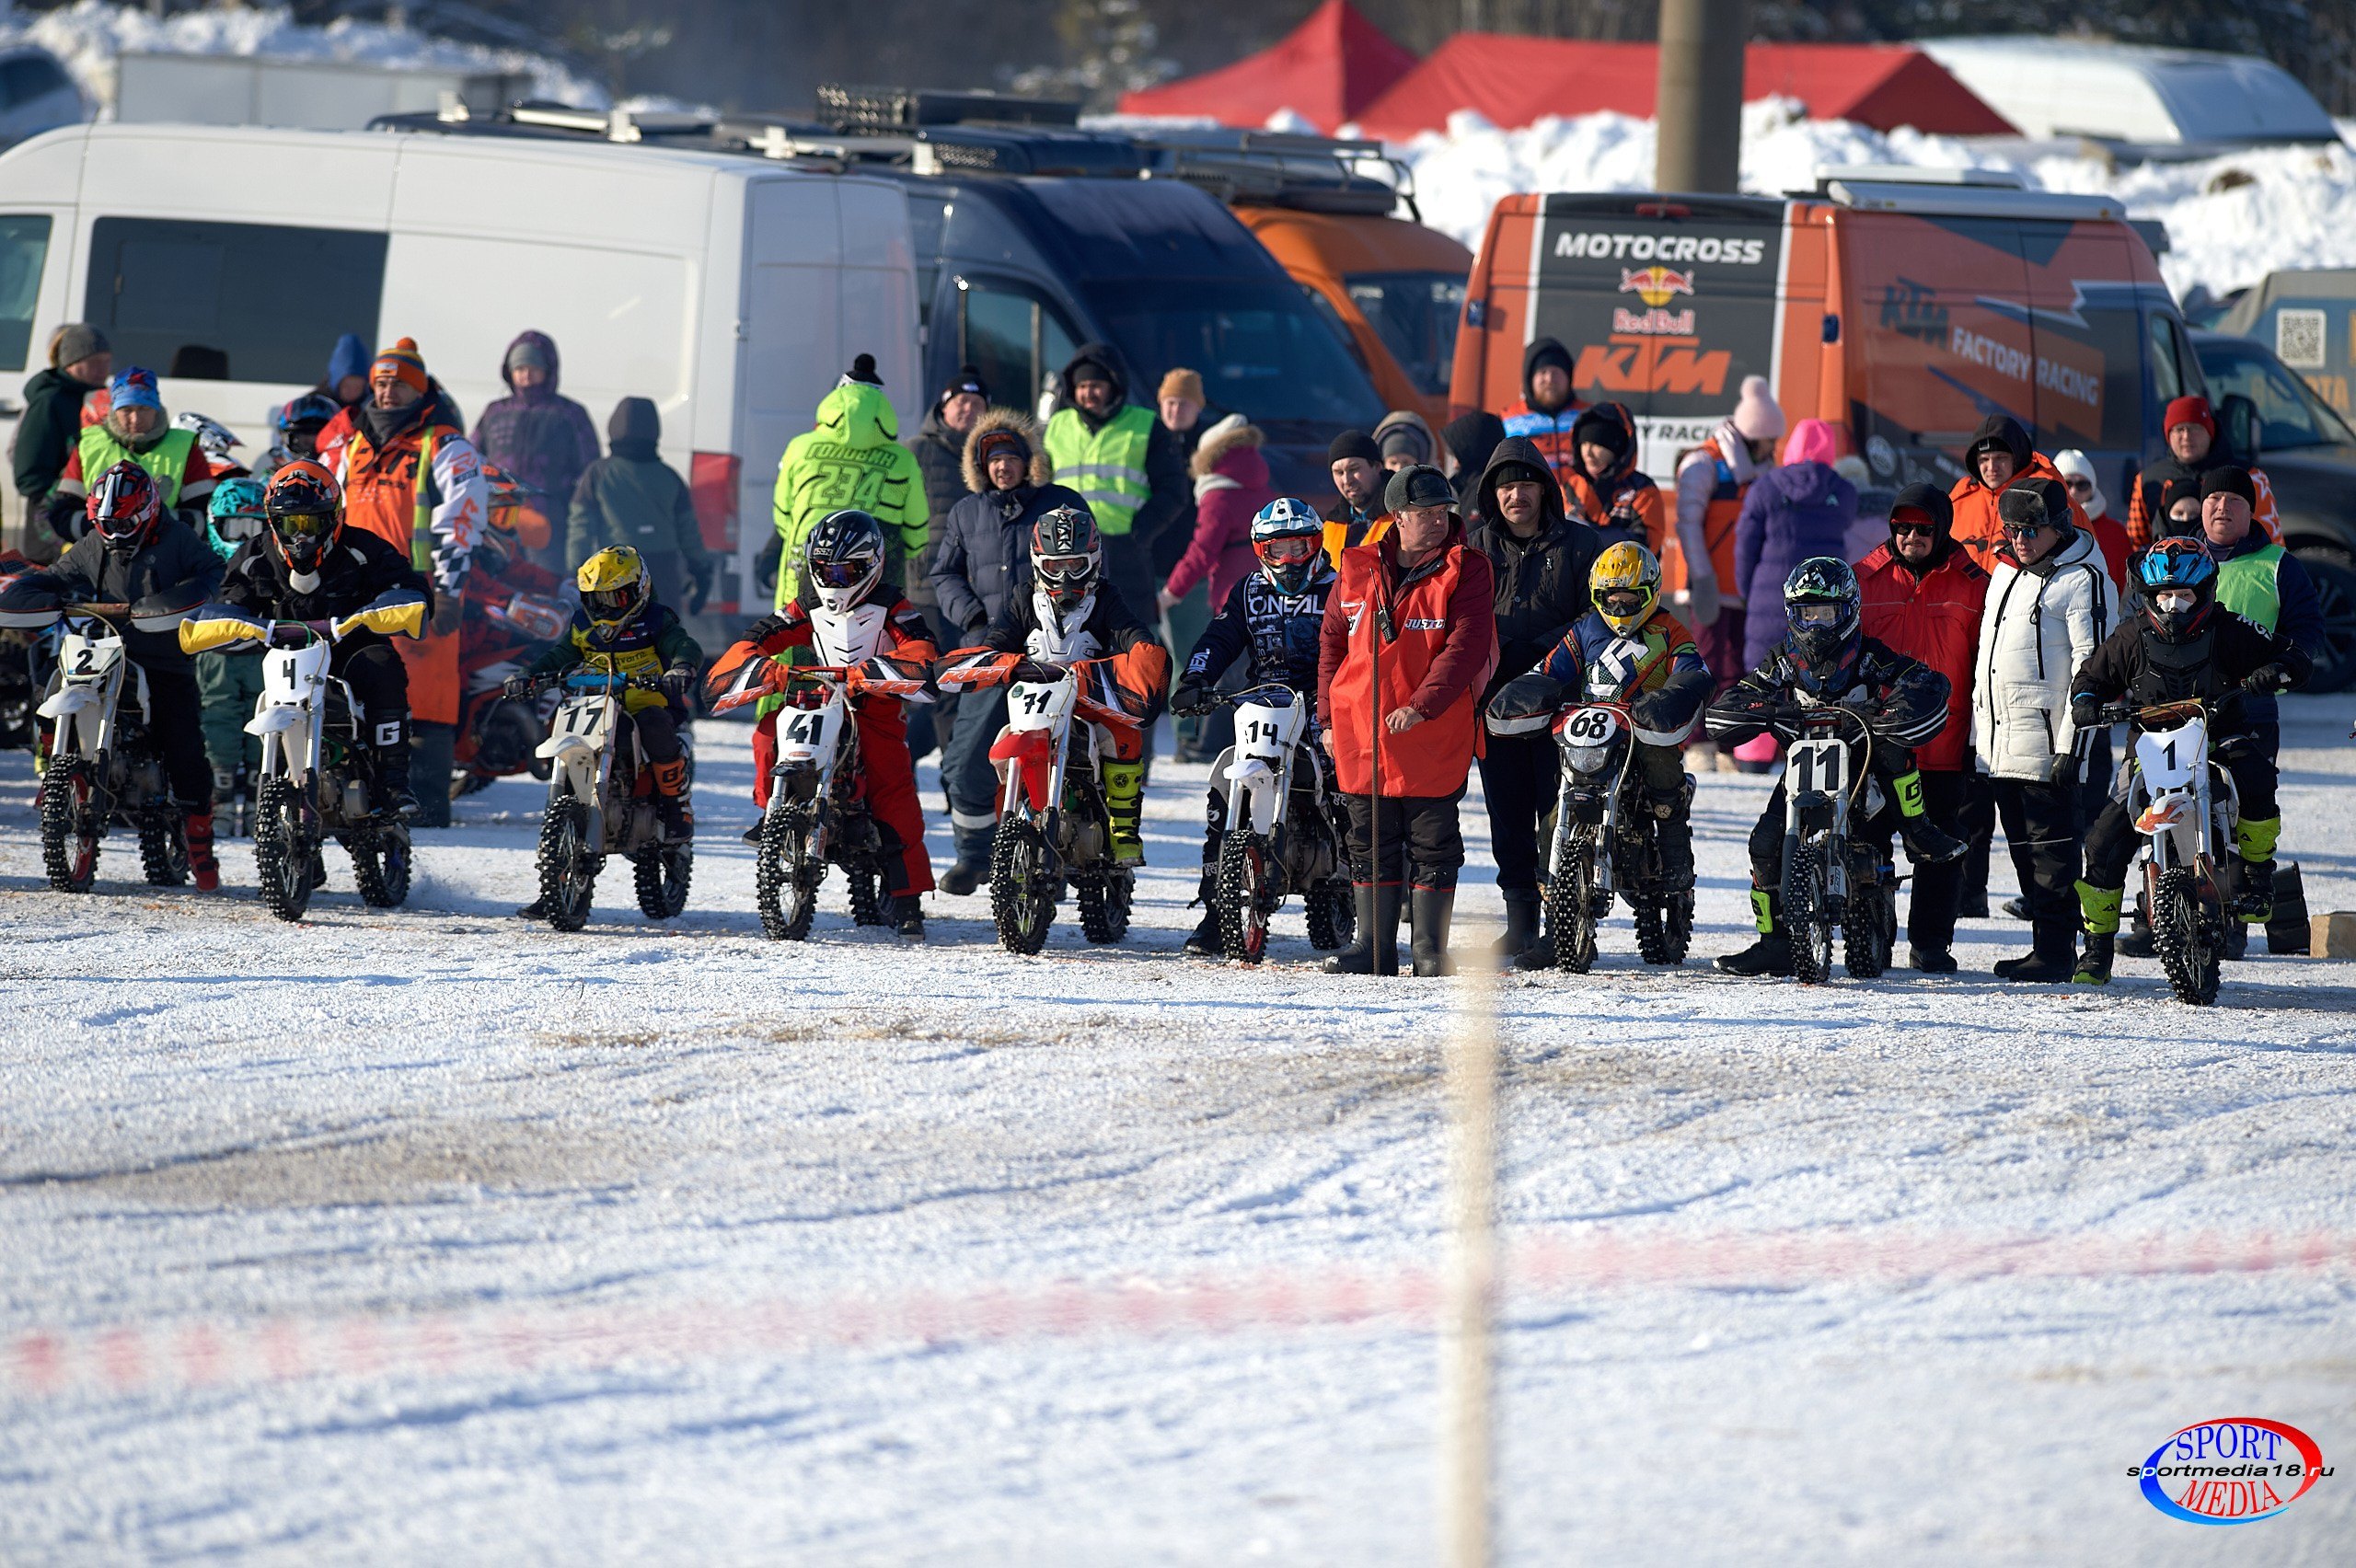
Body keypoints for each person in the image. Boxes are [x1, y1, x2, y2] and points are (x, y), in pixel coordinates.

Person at [2068, 537, 2310, 984]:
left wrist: (2276, 671)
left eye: (2185, 595)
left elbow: (2293, 655)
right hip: (2149, 751)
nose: (2174, 605)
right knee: (2102, 840)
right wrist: (2087, 703)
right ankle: (2097, 946)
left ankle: (2257, 876)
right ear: (2148, 597)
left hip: (2220, 737)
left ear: (2206, 593)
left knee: (2258, 775)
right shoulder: (2128, 636)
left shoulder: (2233, 628)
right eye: (2164, 595)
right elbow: (2090, 679)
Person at [1708, 558, 1963, 976]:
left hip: (1862, 758)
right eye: (1807, 613)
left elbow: (1918, 677)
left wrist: (1891, 707)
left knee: (1893, 747)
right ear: (1793, 614)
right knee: (1762, 843)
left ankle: (1918, 828)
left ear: (1846, 610)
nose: (1816, 625)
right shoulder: (1783, 659)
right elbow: (1738, 695)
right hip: (1801, 763)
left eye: (1825, 613)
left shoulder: (1866, 653)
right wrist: (1769, 709)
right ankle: (1774, 942)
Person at [180, 459, 430, 850]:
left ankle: (394, 783)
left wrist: (392, 603)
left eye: (309, 523)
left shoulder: (364, 548)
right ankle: (290, 839)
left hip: (350, 647)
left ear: (332, 518)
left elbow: (406, 585)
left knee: (384, 667)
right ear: (272, 521)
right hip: (285, 651)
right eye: (288, 523)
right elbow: (229, 600)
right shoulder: (253, 555)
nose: (300, 535)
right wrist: (227, 620)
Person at [710, 512, 938, 936]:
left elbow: (922, 647)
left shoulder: (892, 605)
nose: (834, 579)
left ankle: (908, 900)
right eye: (824, 570)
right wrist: (758, 664)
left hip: (874, 703)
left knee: (893, 784)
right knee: (765, 733)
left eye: (845, 570)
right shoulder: (807, 604)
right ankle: (772, 813)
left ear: (871, 565)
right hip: (820, 692)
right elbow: (760, 634)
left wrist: (892, 667)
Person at [1318, 464, 1497, 978]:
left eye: (1444, 511)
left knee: (1433, 840)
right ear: (1397, 517)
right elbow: (1331, 645)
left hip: (1432, 730)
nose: (1438, 521)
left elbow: (1466, 647)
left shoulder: (1468, 568)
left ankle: (1429, 952)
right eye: (1425, 514)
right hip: (1359, 730)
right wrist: (1327, 719)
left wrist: (1421, 706)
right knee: (1368, 838)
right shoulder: (1354, 567)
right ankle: (1372, 948)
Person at [10, 463, 223, 884]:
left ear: (146, 512)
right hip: (103, 647)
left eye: (122, 521)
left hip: (161, 657)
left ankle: (199, 840)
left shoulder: (178, 538)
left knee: (183, 743)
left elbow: (213, 573)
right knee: (51, 681)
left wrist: (172, 603)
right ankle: (58, 766)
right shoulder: (93, 544)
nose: (114, 530)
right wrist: (28, 590)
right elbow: (59, 575)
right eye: (104, 522)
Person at [316, 338, 489, 826]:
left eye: (399, 384)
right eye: (381, 383)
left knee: (425, 703)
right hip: (351, 589)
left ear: (418, 389)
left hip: (421, 595)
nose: (388, 392)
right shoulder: (347, 443)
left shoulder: (446, 446)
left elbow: (463, 521)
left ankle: (426, 811)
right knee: (346, 693)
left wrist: (451, 591)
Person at [941, 505, 1169, 867]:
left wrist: (1142, 655)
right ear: (1037, 563)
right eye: (1054, 566)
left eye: (1074, 565)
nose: (1064, 577)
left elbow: (1132, 634)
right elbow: (999, 638)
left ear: (1093, 561)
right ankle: (1017, 817)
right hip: (1034, 700)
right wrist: (992, 659)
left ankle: (1124, 828)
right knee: (996, 742)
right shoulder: (1023, 597)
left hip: (1090, 698)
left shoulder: (1106, 598)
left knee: (1122, 735)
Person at [929, 410, 1090, 893]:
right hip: (988, 654)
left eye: (1011, 458)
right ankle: (973, 856)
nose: (1002, 467)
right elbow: (945, 574)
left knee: (1062, 755)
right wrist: (975, 619)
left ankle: (1053, 855)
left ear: (1029, 462)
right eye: (993, 459)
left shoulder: (1060, 503)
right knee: (965, 760)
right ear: (980, 467)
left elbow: (1094, 561)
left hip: (1054, 650)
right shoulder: (966, 511)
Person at [1171, 496, 1336, 955]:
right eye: (1276, 550)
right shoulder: (1248, 591)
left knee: (1342, 781)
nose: (1288, 560)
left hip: (1326, 702)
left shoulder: (1340, 588)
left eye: (1298, 547)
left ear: (1315, 545)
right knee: (1224, 787)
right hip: (1262, 700)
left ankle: (1358, 889)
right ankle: (1214, 912)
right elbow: (1220, 636)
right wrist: (1196, 678)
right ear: (1260, 551)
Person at [1504, 540, 1709, 906]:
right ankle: (1554, 902)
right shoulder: (1585, 630)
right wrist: (1527, 690)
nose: (1619, 606)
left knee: (1662, 773)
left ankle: (1676, 857)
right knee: (1553, 815)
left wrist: (1673, 694)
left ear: (1650, 593)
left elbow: (1692, 669)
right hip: (1593, 733)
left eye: (1630, 599)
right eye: (1610, 597)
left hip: (1647, 731)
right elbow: (1552, 668)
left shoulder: (1670, 629)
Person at [1969, 477, 2119, 981]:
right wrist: (1979, 742)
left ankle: (2056, 952)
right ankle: (2046, 946)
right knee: (2023, 853)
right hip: (2000, 743)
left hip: (2048, 744)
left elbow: (2092, 670)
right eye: (2013, 529)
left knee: (2053, 854)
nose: (2021, 539)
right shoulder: (2006, 572)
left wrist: (2072, 749)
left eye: (2032, 529)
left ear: (2058, 526)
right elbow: (1989, 662)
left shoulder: (2084, 579)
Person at [1466, 433, 1603, 966]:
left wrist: (1544, 653)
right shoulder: (1475, 549)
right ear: (1491, 496)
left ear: (1545, 490)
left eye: (1525, 485)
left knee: (1559, 815)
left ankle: (1564, 926)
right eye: (1505, 488)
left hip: (1562, 704)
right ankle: (1519, 924)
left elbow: (1598, 618)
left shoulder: (1582, 546)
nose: (1515, 495)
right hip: (1496, 703)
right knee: (1508, 814)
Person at [507, 548, 702, 886]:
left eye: (616, 596)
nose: (607, 606)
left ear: (639, 589)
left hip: (648, 702)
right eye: (597, 599)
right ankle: (555, 880)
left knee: (654, 726)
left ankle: (676, 806)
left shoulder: (656, 618)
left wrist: (682, 666)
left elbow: (683, 644)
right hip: (597, 704)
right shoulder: (583, 624)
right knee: (561, 721)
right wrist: (529, 674)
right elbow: (562, 654)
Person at [1853, 482, 1987, 972]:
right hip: (1876, 741)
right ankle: (1868, 935)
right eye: (1902, 527)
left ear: (1942, 528)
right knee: (1866, 837)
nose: (1910, 536)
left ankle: (1931, 942)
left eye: (1922, 528)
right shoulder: (1864, 578)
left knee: (1942, 843)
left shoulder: (1974, 582)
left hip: (1943, 742)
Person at [1042, 342, 1189, 620]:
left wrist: (1141, 532)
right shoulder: (1056, 427)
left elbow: (1174, 488)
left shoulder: (1145, 424)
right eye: (1082, 386)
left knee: (1133, 644)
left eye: (1096, 385)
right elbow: (1039, 485)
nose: (1088, 393)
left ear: (1114, 384)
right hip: (1066, 555)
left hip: (1125, 555)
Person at [772, 354, 928, 609]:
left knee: (798, 635)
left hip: (814, 558)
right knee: (880, 638)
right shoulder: (903, 459)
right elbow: (917, 530)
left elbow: (782, 515)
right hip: (878, 565)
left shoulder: (800, 447)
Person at [1672, 375, 1784, 702]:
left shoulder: (1762, 470)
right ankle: (1696, 743)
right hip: (1709, 587)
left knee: (1739, 669)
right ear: (1753, 437)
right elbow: (1688, 525)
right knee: (1703, 665)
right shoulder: (1703, 464)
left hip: (1743, 590)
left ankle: (1728, 742)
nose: (1773, 448)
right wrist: (1703, 578)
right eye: (1769, 441)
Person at [565, 398, 712, 616]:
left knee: (617, 637)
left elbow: (580, 527)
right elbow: (689, 532)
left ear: (613, 428)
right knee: (663, 637)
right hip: (663, 569)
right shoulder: (670, 476)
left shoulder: (598, 474)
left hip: (614, 568)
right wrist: (701, 573)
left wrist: (574, 572)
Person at [1733, 419, 1855, 674]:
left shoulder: (1765, 488)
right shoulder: (1843, 492)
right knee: (1818, 687)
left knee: (1765, 684)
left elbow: (1744, 549)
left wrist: (1748, 593)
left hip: (1771, 603)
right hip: (1825, 611)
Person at [469, 332, 599, 571]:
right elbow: (472, 459)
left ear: (547, 370)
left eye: (533, 368)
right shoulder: (495, 412)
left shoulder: (569, 414)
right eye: (520, 368)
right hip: (499, 518)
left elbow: (590, 468)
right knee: (499, 580)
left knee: (548, 582)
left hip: (550, 518)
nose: (526, 375)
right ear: (510, 371)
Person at [45, 368, 215, 542]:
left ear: (157, 409)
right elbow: (63, 516)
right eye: (126, 410)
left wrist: (150, 524)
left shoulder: (186, 448)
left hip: (166, 552)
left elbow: (207, 516)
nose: (135, 419)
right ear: (113, 410)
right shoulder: (87, 446)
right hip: (97, 554)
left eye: (144, 409)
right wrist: (110, 528)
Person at [193, 477, 272, 819]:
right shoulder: (205, 564)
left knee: (265, 719)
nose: (243, 539)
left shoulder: (271, 563)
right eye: (235, 528)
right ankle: (220, 793)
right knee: (217, 720)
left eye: (251, 529)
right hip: (216, 657)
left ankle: (261, 791)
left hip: (261, 655)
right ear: (216, 525)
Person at [2124, 396, 2283, 552]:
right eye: (2179, 429)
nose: (2186, 437)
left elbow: (2271, 540)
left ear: (2210, 432)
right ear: (2168, 435)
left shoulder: (2250, 476)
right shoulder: (2147, 479)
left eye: (2195, 428)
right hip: (2165, 573)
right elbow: (2136, 542)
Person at [1946, 415, 2087, 575]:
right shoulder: (1959, 500)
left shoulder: (2048, 497)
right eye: (1984, 459)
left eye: (2001, 458)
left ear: (2017, 458)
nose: (1992, 467)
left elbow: (2083, 562)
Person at [14, 323, 110, 548]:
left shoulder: (101, 401)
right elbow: (29, 473)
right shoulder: (49, 402)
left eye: (107, 362)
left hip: (88, 515)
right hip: (50, 522)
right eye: (95, 362)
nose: (103, 369)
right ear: (72, 363)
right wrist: (56, 499)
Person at [1562, 402, 1662, 551]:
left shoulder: (1643, 490)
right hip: (1578, 574)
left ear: (1617, 447)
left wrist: (1588, 535)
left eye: (1597, 445)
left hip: (1626, 572)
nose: (1588, 453)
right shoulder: (1571, 487)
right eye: (1584, 443)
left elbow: (1647, 546)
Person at [1149, 368, 1209, 582]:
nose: (1176, 410)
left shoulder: (1211, 446)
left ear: (1198, 407)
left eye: (1183, 403)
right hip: (1151, 556)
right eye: (1170, 402)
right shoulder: (1145, 441)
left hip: (1194, 560)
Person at [1499, 337, 1582, 491]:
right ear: (1530, 378)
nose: (1550, 379)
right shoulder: (1507, 419)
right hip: (1531, 505)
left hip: (1581, 507)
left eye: (1556, 373)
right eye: (1543, 372)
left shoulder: (1586, 415)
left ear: (1568, 377)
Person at [2050, 449, 2131, 587]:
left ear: (2092, 488)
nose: (2074, 491)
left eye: (2082, 485)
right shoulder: (2044, 529)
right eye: (2067, 483)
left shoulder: (2116, 532)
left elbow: (2127, 583)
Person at [1322, 430, 1388, 563]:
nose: (1346, 480)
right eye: (1339, 472)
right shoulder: (1329, 528)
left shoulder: (1403, 518)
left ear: (1376, 466)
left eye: (1353, 469)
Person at [256, 393, 341, 478]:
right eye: (304, 440)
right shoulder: (271, 480)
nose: (311, 443)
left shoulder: (345, 472)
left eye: (320, 440)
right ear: (285, 437)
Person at [1441, 411, 1507, 519]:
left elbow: (1468, 534)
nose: (1455, 464)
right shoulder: (1472, 487)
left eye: (1459, 455)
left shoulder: (1482, 493)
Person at [1373, 409, 1440, 476]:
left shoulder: (1438, 484)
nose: (1398, 469)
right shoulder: (1371, 485)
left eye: (1406, 462)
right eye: (1393, 463)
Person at [317, 333, 372, 409]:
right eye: (346, 387)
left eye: (357, 388)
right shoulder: (316, 404)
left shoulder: (371, 407)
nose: (352, 392)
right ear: (336, 384)